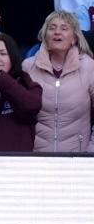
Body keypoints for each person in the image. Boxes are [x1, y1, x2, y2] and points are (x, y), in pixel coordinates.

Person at [23, 10, 94, 152]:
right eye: (52, 28)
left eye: (64, 28)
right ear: (45, 36)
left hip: (78, 159)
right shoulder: (28, 66)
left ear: (74, 38)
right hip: (36, 158)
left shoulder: (89, 66)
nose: (57, 32)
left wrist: (91, 152)